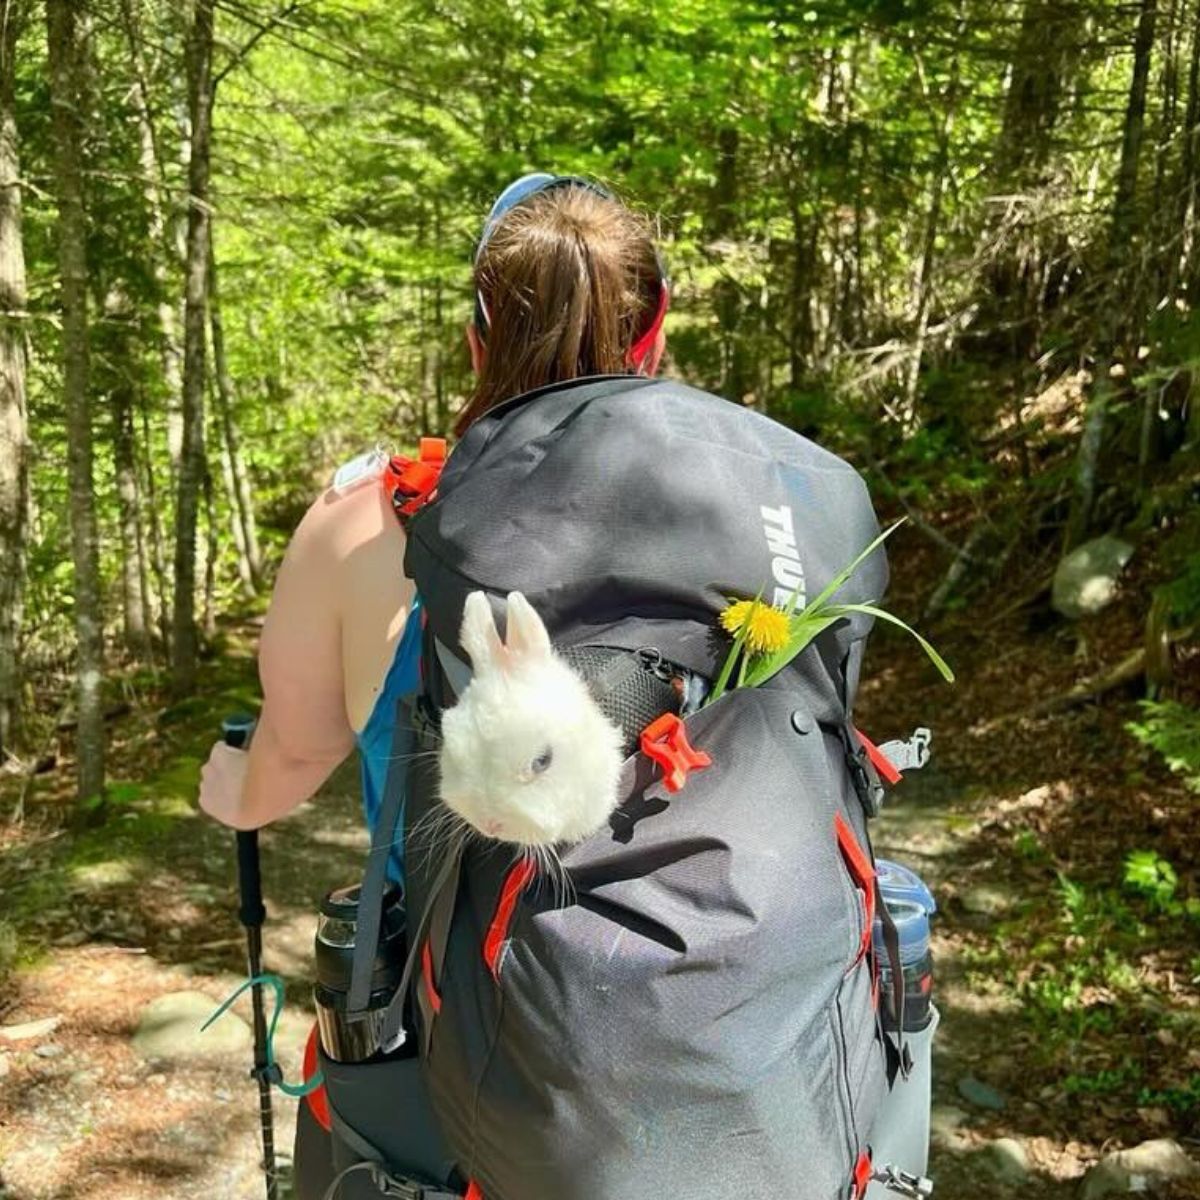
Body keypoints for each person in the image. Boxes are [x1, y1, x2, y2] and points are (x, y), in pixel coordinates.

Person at [197, 174, 668, 850]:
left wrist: (238, 794)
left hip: (452, 954)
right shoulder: (753, 521)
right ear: (651, 344)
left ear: (478, 345)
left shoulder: (363, 523)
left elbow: (297, 751)